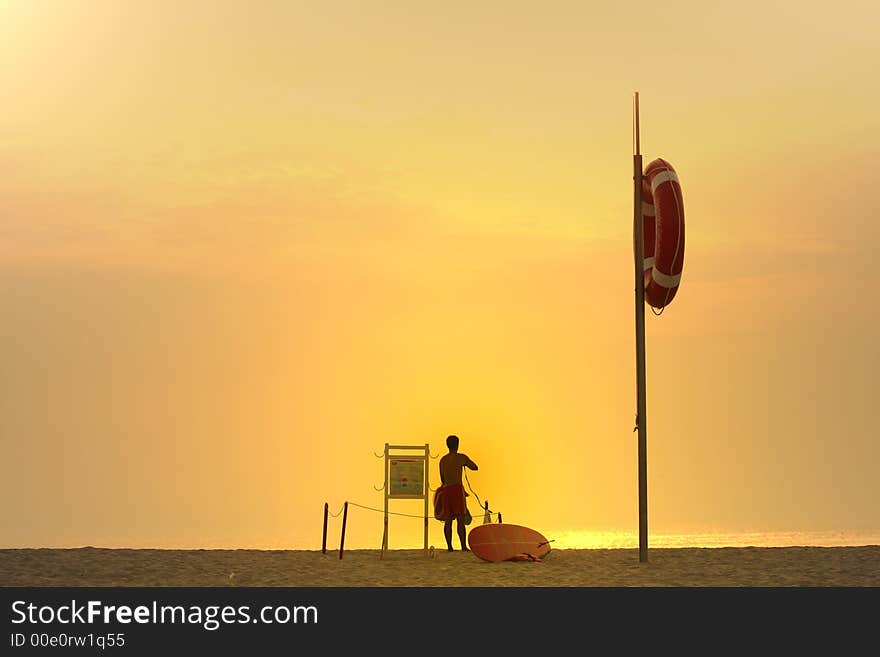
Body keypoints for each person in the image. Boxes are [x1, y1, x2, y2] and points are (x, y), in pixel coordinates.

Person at [433, 434, 478, 551]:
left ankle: (449, 547)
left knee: (448, 520)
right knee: (460, 519)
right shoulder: (461, 457)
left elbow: (442, 479)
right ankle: (463, 546)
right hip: (457, 489)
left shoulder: (442, 460)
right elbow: (475, 467)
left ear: (447, 445)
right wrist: (464, 463)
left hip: (446, 489)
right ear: (457, 445)